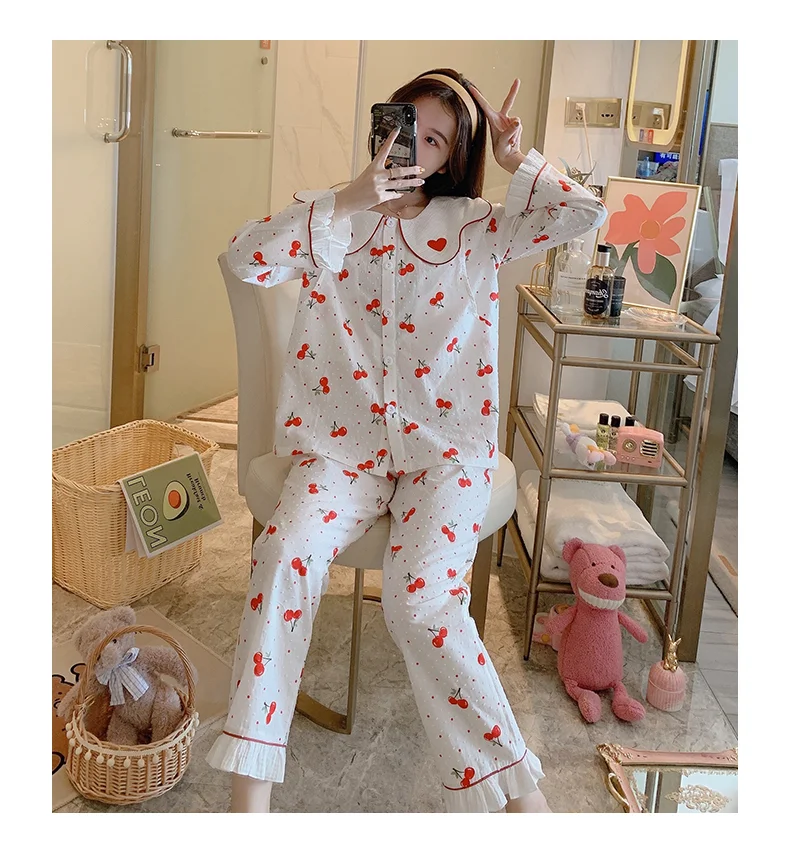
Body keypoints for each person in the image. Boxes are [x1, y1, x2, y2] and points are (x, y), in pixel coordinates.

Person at [207, 67, 606, 813]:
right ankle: (247, 808)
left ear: (455, 156)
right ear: (382, 125)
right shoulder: (333, 219)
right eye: (407, 127)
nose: (415, 149)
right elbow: (245, 259)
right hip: (345, 451)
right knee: (284, 553)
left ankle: (520, 797)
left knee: (419, 601)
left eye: (437, 140)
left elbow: (583, 214)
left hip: (444, 454)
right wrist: (347, 198)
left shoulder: (478, 226)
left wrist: (518, 160)